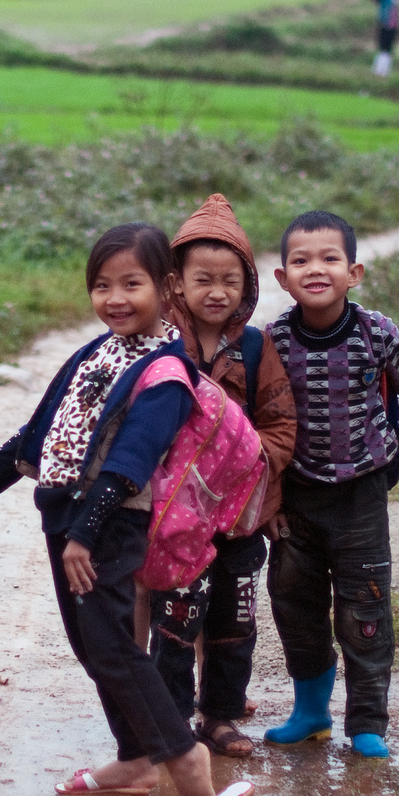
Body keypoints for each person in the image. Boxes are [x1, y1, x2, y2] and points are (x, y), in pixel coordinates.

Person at [0, 223, 254, 796]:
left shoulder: (166, 372)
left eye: (131, 284)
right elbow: (43, 429)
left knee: (115, 648)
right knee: (94, 646)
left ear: (166, 289)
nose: (115, 298)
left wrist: (86, 535)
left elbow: (129, 464)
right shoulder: (97, 352)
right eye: (102, 286)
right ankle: (136, 759)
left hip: (110, 523)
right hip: (65, 515)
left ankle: (188, 764)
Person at [263, 211, 399, 759]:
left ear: (355, 272)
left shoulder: (376, 331)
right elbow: (264, 425)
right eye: (300, 261)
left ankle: (367, 722)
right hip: (297, 500)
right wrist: (267, 502)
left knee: (365, 608)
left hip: (362, 496)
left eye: (329, 259)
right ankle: (310, 713)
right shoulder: (273, 340)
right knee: (294, 604)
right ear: (283, 279)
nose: (315, 269)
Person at [149, 194, 296, 759]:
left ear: (248, 286)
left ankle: (221, 718)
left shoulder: (258, 349)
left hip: (240, 517)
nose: (217, 291)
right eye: (203, 279)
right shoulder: (162, 345)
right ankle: (170, 719)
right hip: (178, 519)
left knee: (237, 619)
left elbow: (282, 422)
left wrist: (248, 463)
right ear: (176, 285)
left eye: (230, 281)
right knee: (175, 621)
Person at [367, 0, 399, 77]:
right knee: (385, 48)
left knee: (385, 48)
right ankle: (381, 71)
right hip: (387, 24)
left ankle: (380, 70)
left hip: (388, 23)